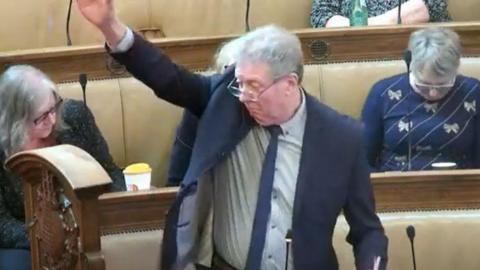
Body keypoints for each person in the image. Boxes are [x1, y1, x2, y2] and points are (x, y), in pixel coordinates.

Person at [76, 1, 388, 269]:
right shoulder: (226, 101)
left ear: (290, 84)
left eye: (254, 86)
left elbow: (368, 231)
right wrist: (110, 26)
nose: (244, 95)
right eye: (240, 83)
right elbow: (167, 78)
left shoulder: (342, 138)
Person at [0, 65, 126, 269]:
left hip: (89, 226)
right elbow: (2, 225)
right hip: (26, 241)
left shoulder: (74, 117)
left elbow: (110, 172)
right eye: (42, 117)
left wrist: (115, 211)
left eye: (53, 107)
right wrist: (55, 238)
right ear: (16, 124)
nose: (53, 119)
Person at [361, 27, 480, 171]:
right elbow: (362, 159)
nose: (433, 93)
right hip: (395, 188)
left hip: (460, 188)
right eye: (424, 85)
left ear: (456, 70)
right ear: (411, 65)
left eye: (443, 85)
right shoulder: (383, 93)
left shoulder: (474, 92)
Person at [167, 37, 245, 186]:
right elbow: (177, 178)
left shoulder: (273, 107)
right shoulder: (203, 105)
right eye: (233, 76)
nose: (242, 87)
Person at [311, 0, 450, 28]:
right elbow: (321, 16)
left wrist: (362, 26)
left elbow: (433, 4)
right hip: (355, 49)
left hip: (419, 50)